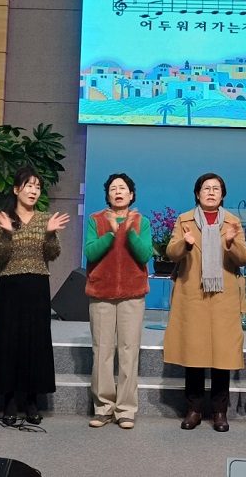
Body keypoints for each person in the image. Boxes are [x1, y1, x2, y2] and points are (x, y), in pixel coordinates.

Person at [163, 172, 246, 433]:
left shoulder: (233, 221)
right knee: (194, 354)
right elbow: (171, 253)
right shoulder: (185, 220)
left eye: (216, 189)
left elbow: (244, 258)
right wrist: (185, 243)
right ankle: (194, 410)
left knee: (223, 356)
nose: (211, 192)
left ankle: (220, 411)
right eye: (206, 188)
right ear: (197, 193)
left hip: (223, 296)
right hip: (193, 294)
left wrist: (231, 243)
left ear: (222, 195)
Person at [0, 165, 69, 426]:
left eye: (37, 186)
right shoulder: (2, 218)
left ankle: (32, 401)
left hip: (38, 285)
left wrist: (50, 233)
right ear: (16, 189)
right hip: (11, 285)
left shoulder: (44, 219)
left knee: (35, 342)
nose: (33, 190)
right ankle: (9, 401)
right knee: (10, 342)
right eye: (29, 185)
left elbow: (53, 254)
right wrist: (7, 233)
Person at [84, 173, 153, 429]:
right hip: (101, 292)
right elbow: (90, 252)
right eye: (113, 188)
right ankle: (103, 407)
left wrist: (128, 230)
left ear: (131, 195)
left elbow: (144, 254)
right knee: (102, 351)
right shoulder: (96, 220)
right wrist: (111, 233)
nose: (118, 192)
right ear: (108, 195)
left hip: (132, 294)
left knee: (128, 351)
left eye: (123, 188)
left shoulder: (141, 221)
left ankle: (126, 409)